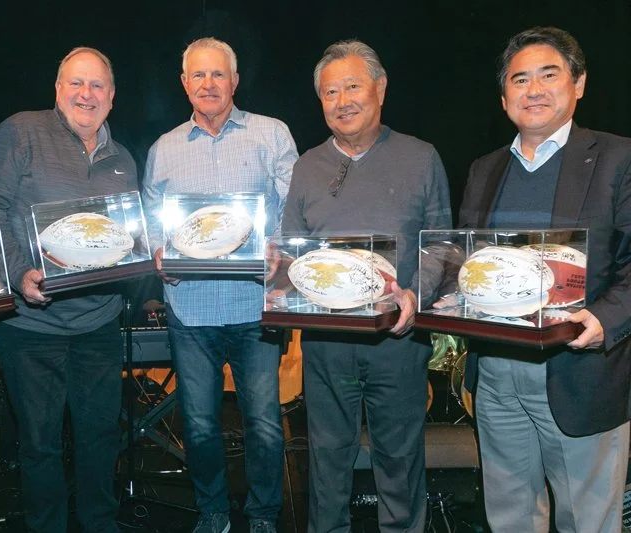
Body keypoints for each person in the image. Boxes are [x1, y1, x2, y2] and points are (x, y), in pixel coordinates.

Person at [459, 26, 631, 533]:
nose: (533, 90)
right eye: (519, 80)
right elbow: (466, 262)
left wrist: (604, 319)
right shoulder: (484, 168)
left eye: (548, 75)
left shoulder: (619, 159)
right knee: (510, 517)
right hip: (496, 373)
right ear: (503, 97)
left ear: (579, 83)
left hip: (579, 369)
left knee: (588, 521)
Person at [281, 40, 452, 533]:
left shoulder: (420, 157)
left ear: (380, 87)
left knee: (399, 459)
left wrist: (415, 295)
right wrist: (279, 277)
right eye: (330, 92)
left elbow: (441, 242)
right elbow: (291, 252)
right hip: (326, 344)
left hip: (397, 340)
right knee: (326, 458)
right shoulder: (307, 166)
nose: (342, 101)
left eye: (352, 86)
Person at [0, 47, 137, 533]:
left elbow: (125, 238)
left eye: (97, 85)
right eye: (76, 83)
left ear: (112, 96)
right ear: (58, 89)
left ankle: (100, 523)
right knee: (39, 444)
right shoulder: (20, 131)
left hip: (99, 322)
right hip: (30, 325)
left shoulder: (123, 159)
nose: (87, 94)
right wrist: (20, 274)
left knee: (101, 436)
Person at [142, 37, 297, 533]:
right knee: (200, 426)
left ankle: (263, 515)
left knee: (265, 425)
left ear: (235, 81)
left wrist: (278, 249)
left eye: (217, 74)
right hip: (190, 308)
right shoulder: (163, 148)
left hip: (255, 305)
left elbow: (294, 208)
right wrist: (158, 251)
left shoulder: (272, 134)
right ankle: (212, 513)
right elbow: (152, 221)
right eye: (198, 75)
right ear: (184, 83)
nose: (208, 84)